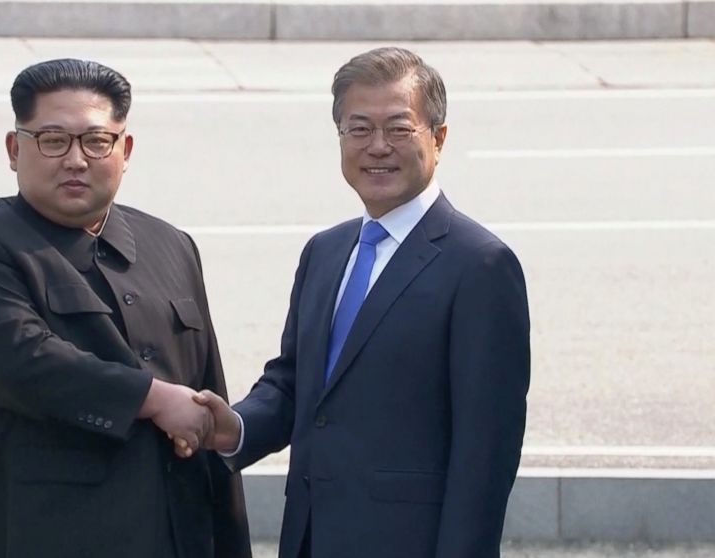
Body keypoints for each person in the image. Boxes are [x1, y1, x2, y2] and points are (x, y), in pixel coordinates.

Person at [191, 47, 531, 558]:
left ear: (438, 138)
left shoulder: (480, 265)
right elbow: (293, 383)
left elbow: (484, 458)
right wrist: (234, 427)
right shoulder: (326, 251)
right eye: (359, 129)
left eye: (399, 129)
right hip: (310, 537)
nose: (377, 147)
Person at [0, 58, 251, 558]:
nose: (76, 160)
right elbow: (25, 362)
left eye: (96, 141)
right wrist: (156, 398)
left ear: (125, 149)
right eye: (53, 140)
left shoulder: (171, 244)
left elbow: (205, 399)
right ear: (15, 150)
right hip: (42, 536)